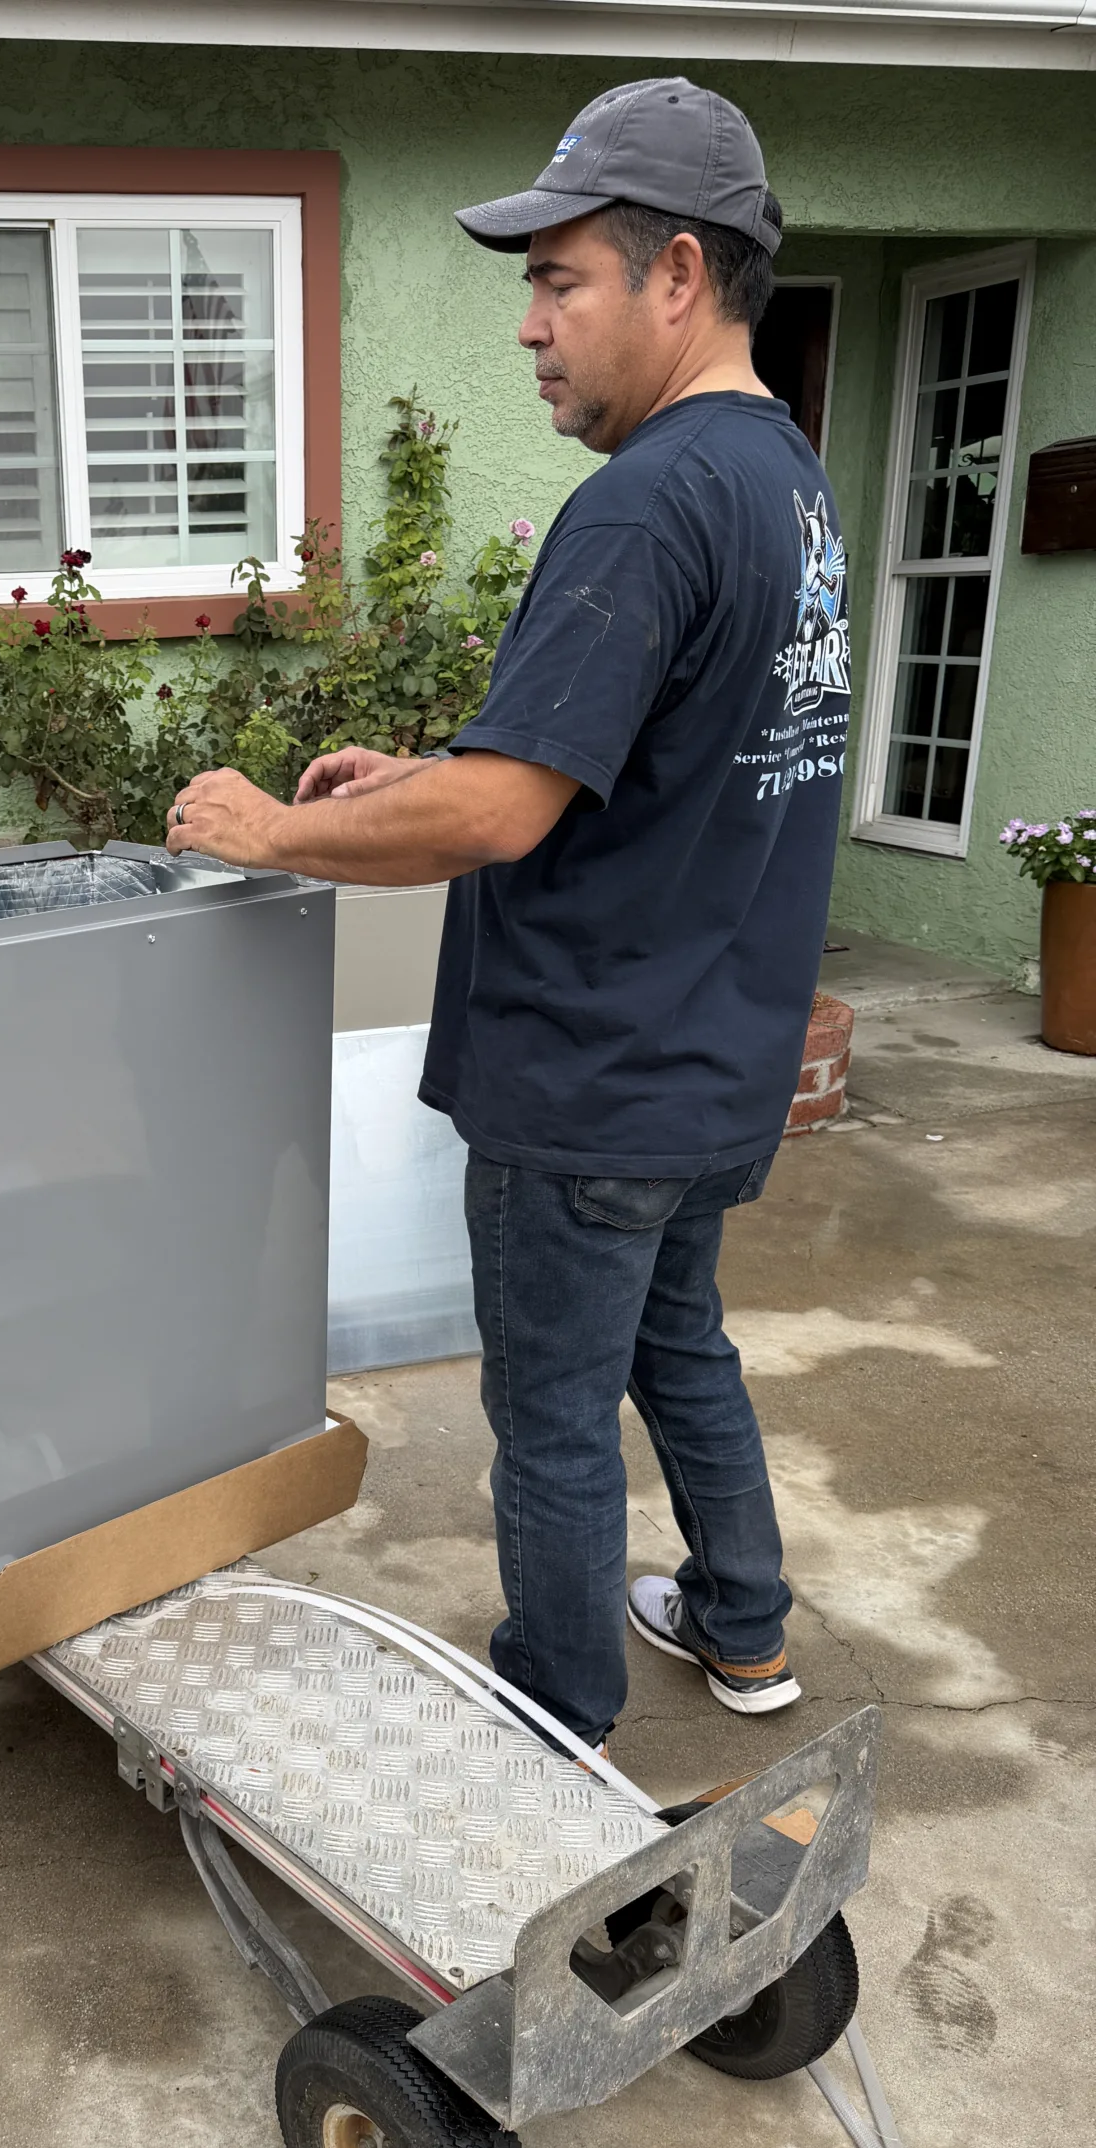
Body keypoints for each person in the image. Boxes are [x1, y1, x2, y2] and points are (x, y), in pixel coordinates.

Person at [166, 79, 852, 1750]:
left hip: (589, 1074)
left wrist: (267, 832)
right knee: (680, 1342)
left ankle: (556, 1714)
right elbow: (644, 754)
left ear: (677, 274)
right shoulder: (788, 488)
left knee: (549, 1410)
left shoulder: (644, 500)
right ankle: (744, 1628)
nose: (530, 329)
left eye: (562, 284)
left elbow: (497, 813)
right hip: (715, 1062)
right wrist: (440, 761)